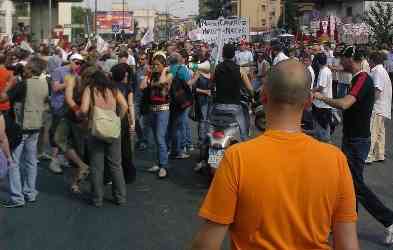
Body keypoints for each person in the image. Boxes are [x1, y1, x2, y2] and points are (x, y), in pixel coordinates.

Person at [191, 59, 359, 250]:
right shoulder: (335, 160)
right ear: (308, 102)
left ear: (263, 96)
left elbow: (206, 244)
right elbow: (348, 244)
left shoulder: (237, 158)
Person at [314, 46, 393, 245]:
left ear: (352, 59)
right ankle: (346, 224)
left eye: (343, 59)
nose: (341, 62)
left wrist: (322, 98)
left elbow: (345, 104)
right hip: (352, 139)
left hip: (357, 141)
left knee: (355, 185)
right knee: (349, 184)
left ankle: (389, 220)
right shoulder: (357, 78)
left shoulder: (362, 79)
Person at [0, 57, 49, 208]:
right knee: (31, 160)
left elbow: (3, 98)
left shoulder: (23, 84)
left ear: (30, 69)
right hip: (36, 124)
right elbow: (46, 102)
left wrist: (8, 85)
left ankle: (17, 197)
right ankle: (30, 192)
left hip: (21, 126)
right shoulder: (44, 84)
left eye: (26, 67)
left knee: (14, 161)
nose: (24, 69)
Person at [80, 70, 128, 207]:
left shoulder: (90, 89)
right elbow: (124, 105)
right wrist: (119, 118)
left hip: (96, 129)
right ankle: (120, 196)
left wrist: (83, 118)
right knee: (116, 165)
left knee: (96, 166)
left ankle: (97, 198)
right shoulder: (114, 89)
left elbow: (83, 109)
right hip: (113, 128)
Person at [49, 53, 84, 174]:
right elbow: (54, 88)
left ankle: (61, 157)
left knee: (66, 135)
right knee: (56, 133)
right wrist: (69, 83)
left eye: (80, 63)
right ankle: (54, 160)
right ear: (71, 61)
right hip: (58, 106)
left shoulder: (77, 74)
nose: (78, 65)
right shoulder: (59, 71)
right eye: (76, 62)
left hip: (70, 108)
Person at [212, 43, 253, 141]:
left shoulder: (216, 68)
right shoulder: (240, 70)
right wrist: (252, 97)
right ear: (234, 54)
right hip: (235, 107)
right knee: (244, 131)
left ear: (223, 54)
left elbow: (211, 83)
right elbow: (250, 89)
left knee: (211, 126)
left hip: (218, 106)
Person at [140, 54, 172, 179]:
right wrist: (148, 74)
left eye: (158, 65)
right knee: (155, 138)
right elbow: (142, 86)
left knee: (160, 137)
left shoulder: (169, 75)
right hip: (152, 110)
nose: (155, 67)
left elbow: (163, 82)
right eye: (154, 65)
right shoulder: (151, 76)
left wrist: (164, 70)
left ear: (163, 65)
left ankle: (163, 166)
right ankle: (159, 163)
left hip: (163, 110)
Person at [111, 63, 136, 184]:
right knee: (126, 148)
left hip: (112, 117)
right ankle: (128, 174)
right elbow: (130, 105)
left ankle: (112, 175)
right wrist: (133, 122)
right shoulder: (128, 87)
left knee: (113, 149)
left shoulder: (109, 87)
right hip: (124, 119)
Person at [366, 51, 392, 163]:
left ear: (372, 60)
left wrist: (369, 103)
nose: (368, 62)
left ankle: (368, 155)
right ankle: (379, 154)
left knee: (372, 131)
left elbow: (377, 89)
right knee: (380, 132)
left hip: (377, 106)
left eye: (369, 60)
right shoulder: (383, 71)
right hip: (384, 107)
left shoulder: (377, 71)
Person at [312, 53, 333, 142]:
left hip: (322, 104)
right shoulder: (325, 70)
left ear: (317, 62)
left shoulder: (324, 71)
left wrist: (311, 91)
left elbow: (321, 87)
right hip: (321, 103)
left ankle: (324, 143)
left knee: (322, 127)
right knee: (321, 126)